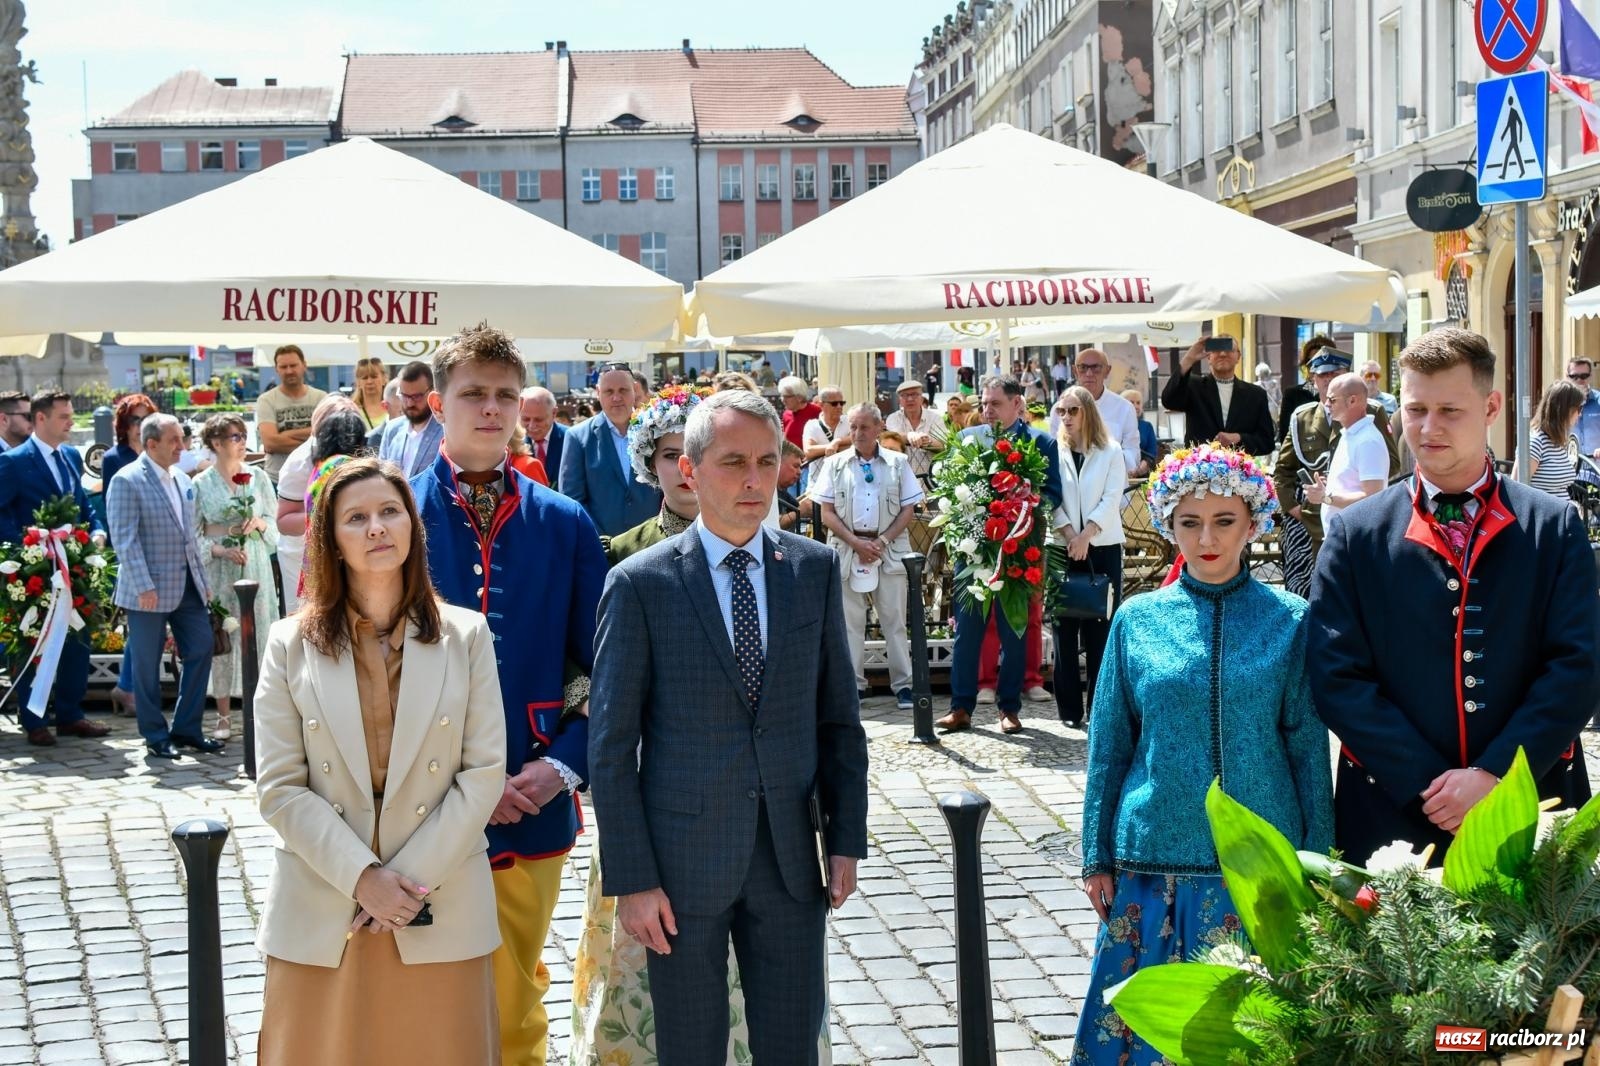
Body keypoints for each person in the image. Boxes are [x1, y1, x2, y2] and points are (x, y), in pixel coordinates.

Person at [589, 389, 869, 1066]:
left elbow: (839, 719)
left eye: (768, 462)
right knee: (690, 1048)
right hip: (681, 866)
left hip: (789, 858)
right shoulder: (640, 585)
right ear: (689, 470)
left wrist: (846, 840)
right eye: (733, 461)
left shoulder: (812, 569)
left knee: (791, 1045)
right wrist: (633, 877)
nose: (753, 480)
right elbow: (611, 747)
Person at [1075, 443, 1331, 1064]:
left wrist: (1319, 860)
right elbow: (1109, 744)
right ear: (1169, 524)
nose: (1207, 538)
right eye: (1190, 523)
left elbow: (1307, 747)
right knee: (1139, 1038)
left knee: (1249, 1037)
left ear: (1252, 523)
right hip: (1150, 860)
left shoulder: (1291, 621)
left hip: (1257, 860)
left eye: (1223, 522)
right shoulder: (1136, 621)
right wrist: (1094, 853)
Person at [1311, 327, 1598, 867]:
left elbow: (1577, 667)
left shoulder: (1553, 526)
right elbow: (1336, 676)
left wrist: (1495, 775)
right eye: (1416, 409)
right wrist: (1428, 783)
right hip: (1393, 811)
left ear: (1491, 407)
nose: (1429, 427)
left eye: (1450, 410)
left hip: (1532, 797)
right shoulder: (1356, 533)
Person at [253, 458, 506, 1066]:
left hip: (437, 903)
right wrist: (363, 879)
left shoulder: (466, 636)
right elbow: (280, 787)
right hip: (324, 907)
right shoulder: (290, 644)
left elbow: (482, 772)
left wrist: (405, 886)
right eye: (356, 518)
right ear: (329, 540)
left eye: (390, 512)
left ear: (413, 527)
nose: (376, 528)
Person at [410, 324, 607, 1066]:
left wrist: (560, 766)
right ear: (437, 403)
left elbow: (603, 667)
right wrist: (463, 782)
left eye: (502, 395)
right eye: (472, 395)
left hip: (532, 795)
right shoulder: (392, 515)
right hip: (414, 805)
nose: (490, 409)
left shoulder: (565, 522)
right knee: (424, 994)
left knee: (515, 992)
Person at [936, 374, 1063, 734]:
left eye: (995, 403)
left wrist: (1020, 508)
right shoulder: (966, 439)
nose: (987, 410)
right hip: (975, 549)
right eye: (984, 403)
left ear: (1017, 403)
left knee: (1014, 632)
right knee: (967, 632)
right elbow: (950, 484)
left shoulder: (1041, 442)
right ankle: (961, 707)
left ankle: (1009, 707)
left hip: (1018, 551)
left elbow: (1053, 493)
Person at [107, 414, 220, 760]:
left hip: (186, 586)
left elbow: (190, 539)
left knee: (202, 649)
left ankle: (187, 727)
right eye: (174, 440)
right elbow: (124, 540)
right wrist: (143, 585)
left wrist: (202, 582)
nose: (181, 447)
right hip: (148, 589)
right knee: (145, 664)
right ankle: (155, 735)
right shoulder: (127, 480)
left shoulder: (182, 481)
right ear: (150, 444)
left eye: (182, 439)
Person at [0, 389, 109, 746]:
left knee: (78, 636)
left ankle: (70, 714)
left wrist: (96, 531)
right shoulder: (15, 461)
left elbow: (81, 504)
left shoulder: (69, 457)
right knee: (35, 640)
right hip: (35, 569)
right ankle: (33, 718)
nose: (71, 423)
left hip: (73, 565)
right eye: (64, 416)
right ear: (41, 418)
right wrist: (26, 546)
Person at [814, 402, 923, 711]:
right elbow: (826, 512)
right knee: (850, 623)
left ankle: (904, 686)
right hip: (849, 549)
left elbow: (908, 509)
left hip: (887, 549)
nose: (858, 433)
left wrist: (883, 540)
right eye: (853, 427)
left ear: (878, 428)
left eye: (864, 427)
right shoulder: (836, 464)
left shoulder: (897, 462)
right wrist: (855, 542)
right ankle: (854, 685)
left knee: (894, 620)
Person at [1271, 346, 1399, 599]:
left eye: (1335, 374)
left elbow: (1386, 469)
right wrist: (1295, 508)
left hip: (1351, 522)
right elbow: (1283, 471)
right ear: (1314, 379)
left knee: (1341, 596)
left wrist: (1334, 492)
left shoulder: (1370, 416)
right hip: (1309, 519)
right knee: (1303, 592)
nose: (1327, 381)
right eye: (1321, 376)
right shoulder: (1302, 417)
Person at [193, 414, 279, 742]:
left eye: (244, 435)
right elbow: (193, 535)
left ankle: (260, 712)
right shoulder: (201, 484)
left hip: (254, 563)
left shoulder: (257, 477)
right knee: (224, 638)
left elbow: (274, 529)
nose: (242, 442)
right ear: (216, 443)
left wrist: (258, 524)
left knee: (258, 635)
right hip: (221, 569)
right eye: (235, 437)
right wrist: (218, 550)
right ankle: (224, 714)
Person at [1050, 386, 1127, 728]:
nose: (1066, 417)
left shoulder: (1111, 451)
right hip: (1062, 546)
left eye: (1073, 411)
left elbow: (1112, 498)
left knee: (1100, 630)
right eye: (1061, 411)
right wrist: (1070, 534)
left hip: (1103, 545)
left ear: (1087, 413)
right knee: (1063, 630)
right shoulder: (1054, 450)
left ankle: (1099, 706)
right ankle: (1068, 710)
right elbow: (1049, 496)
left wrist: (1087, 535)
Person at [276, 395, 359, 615]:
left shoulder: (347, 456)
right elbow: (284, 520)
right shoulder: (300, 462)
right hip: (301, 554)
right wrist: (325, 520)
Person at [560, 362, 661, 538]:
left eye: (623, 390)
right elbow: (572, 500)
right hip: (602, 549)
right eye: (609, 391)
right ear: (598, 393)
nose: (616, 397)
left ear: (634, 390)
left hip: (653, 544)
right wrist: (599, 541)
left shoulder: (656, 432)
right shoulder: (577, 437)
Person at [1160, 334, 1276, 454]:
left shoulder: (1256, 395)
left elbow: (1267, 442)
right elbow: (1168, 400)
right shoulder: (1194, 386)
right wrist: (1190, 358)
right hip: (1199, 468)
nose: (1222, 354)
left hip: (1239, 469)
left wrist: (1238, 438)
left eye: (1228, 349)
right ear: (1208, 356)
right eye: (1216, 349)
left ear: (1238, 357)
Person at [1306, 372, 1390, 529]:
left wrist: (1326, 497)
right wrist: (1330, 487)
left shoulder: (1368, 440)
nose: (1327, 404)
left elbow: (1373, 498)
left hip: (1357, 540)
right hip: (1344, 537)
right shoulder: (1351, 434)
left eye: (1333, 399)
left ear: (1352, 400)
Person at [256, 344, 328, 484]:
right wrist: (312, 439)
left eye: (293, 365)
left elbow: (326, 438)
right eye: (283, 367)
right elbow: (270, 443)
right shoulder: (266, 400)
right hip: (277, 479)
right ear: (276, 369)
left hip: (316, 479)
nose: (289, 371)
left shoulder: (321, 398)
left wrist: (285, 435)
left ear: (304, 365)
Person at [1061, 350, 1140, 474]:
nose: (1089, 373)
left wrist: (1108, 459)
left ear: (1107, 371)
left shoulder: (1125, 408)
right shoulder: (1060, 409)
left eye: (1096, 367)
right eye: (1082, 367)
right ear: (1075, 371)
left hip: (1114, 485)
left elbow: (1133, 453)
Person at [376, 361, 444, 479]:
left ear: (432, 392)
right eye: (405, 396)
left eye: (417, 396)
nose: (410, 403)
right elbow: (381, 474)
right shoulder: (392, 429)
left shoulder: (445, 430)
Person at [1522, 380, 1587, 498]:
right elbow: (1517, 487)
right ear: (1564, 410)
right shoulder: (1537, 441)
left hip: (1561, 514)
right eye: (1579, 409)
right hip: (1543, 515)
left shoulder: (1557, 440)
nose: (1580, 414)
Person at [884, 379, 947, 479]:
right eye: (904, 395)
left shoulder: (936, 418)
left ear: (922, 398)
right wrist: (910, 436)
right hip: (901, 480)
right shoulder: (893, 418)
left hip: (929, 480)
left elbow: (942, 446)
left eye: (914, 394)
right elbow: (894, 436)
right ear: (899, 400)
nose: (909, 399)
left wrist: (927, 441)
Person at [1277, 335, 1332, 443]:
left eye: (1322, 362)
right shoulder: (1294, 394)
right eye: (1312, 362)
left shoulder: (1342, 394)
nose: (1317, 368)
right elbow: (1285, 436)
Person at [100, 392, 157, 489]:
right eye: (134, 419)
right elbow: (109, 500)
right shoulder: (112, 458)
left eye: (146, 419)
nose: (141, 425)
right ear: (123, 423)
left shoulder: (159, 453)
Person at [520, 386, 566, 488]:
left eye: (538, 419)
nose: (532, 426)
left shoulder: (570, 439)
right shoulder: (514, 443)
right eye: (526, 419)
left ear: (554, 413)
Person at [802, 386, 851, 461]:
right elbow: (809, 451)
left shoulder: (849, 421)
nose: (839, 406)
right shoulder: (812, 425)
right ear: (821, 405)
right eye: (834, 403)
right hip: (820, 472)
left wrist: (837, 441)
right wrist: (833, 446)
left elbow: (857, 439)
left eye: (841, 403)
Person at [1119, 388, 1158, 478]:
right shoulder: (1116, 426)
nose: (1136, 406)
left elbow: (1152, 452)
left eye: (1138, 403)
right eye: (1132, 402)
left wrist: (1143, 466)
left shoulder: (1147, 426)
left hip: (1141, 476)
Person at [1566, 357, 1600, 459]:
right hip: (1568, 469)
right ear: (1567, 376)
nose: (1579, 380)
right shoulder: (1560, 404)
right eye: (1574, 376)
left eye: (1584, 376)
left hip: (1596, 468)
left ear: (1590, 377)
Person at [779, 376, 820, 450]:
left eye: (786, 396)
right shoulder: (786, 414)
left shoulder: (817, 412)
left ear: (799, 397)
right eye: (782, 396)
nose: (782, 400)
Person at [352, 356, 390, 431]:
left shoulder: (395, 409)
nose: (369, 381)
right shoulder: (352, 411)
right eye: (365, 378)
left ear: (384, 379)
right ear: (358, 382)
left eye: (374, 377)